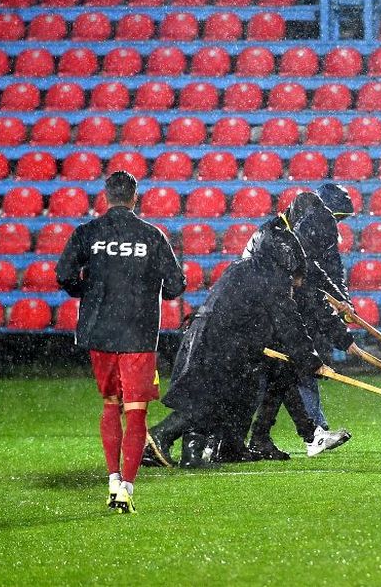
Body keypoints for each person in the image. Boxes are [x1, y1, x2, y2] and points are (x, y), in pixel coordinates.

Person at [143, 197, 349, 469]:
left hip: (222, 331)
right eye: (296, 280)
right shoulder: (275, 275)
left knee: (226, 393)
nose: (295, 286)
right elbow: (289, 322)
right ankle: (160, 436)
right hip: (222, 335)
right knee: (214, 395)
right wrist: (312, 361)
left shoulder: (262, 262)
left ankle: (207, 452)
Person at [55, 171, 186, 514]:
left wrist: (88, 291)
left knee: (111, 403)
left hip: (100, 332)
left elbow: (63, 274)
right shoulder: (152, 236)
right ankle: (126, 487)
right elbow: (175, 286)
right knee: (136, 410)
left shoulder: (88, 233)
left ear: (106, 196)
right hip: (139, 334)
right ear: (134, 198)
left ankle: (112, 478)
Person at [244, 187, 358, 459]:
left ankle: (269, 437)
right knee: (288, 372)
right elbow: (307, 296)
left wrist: (341, 302)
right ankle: (204, 436)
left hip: (271, 314)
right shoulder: (283, 244)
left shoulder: (295, 237)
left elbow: (318, 275)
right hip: (261, 317)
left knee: (281, 377)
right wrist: (341, 337)